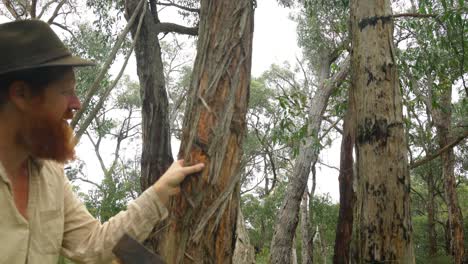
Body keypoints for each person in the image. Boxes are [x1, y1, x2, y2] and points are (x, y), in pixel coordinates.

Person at [0, 19, 204, 263]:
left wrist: (161, 191)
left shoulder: (50, 175)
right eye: (66, 92)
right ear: (21, 94)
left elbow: (91, 243)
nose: (76, 105)